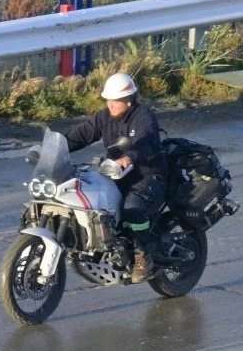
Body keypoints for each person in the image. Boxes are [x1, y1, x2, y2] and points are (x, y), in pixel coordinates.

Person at [65, 72, 168, 283]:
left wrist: (128, 158)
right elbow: (81, 135)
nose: (110, 104)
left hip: (147, 177)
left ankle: (144, 257)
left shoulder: (143, 117)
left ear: (129, 100)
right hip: (116, 176)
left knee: (132, 209)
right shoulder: (105, 117)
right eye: (108, 99)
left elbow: (145, 141)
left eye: (116, 100)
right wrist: (54, 148)